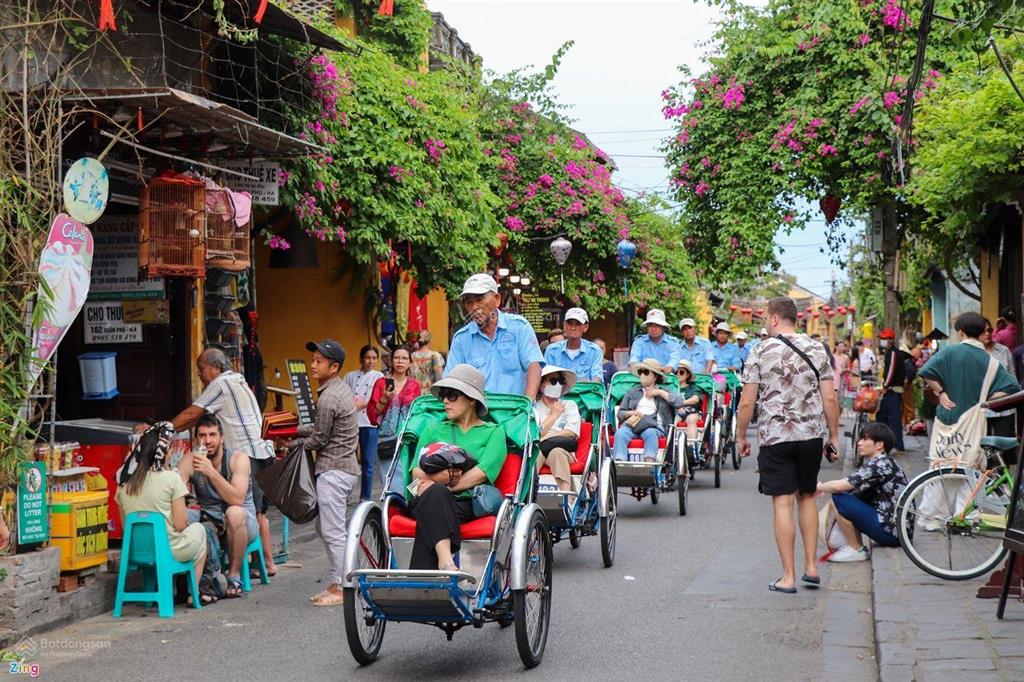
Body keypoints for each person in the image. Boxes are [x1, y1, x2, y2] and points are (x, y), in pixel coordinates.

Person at [736, 296, 840, 594]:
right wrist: (833, 436)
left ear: (773, 319)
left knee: (782, 502)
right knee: (807, 497)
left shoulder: (760, 350)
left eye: (764, 317)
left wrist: (741, 437)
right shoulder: (817, 348)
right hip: (810, 435)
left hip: (776, 437)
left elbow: (747, 402)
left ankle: (788, 577)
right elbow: (830, 398)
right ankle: (811, 567)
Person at [146, 348, 278, 580]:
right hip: (262, 452)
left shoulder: (220, 384)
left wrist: (163, 431)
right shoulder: (239, 380)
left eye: (201, 370)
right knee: (258, 512)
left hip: (248, 454)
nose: (199, 375)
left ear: (216, 368)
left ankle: (258, 565)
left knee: (245, 510)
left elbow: (191, 414)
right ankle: (266, 563)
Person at [405, 365, 508, 570]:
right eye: (444, 395)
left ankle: (423, 584)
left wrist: (439, 484)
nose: (444, 401)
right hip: (423, 496)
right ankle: (446, 563)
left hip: (467, 502)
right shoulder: (433, 428)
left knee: (436, 494)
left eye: (451, 395)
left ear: (471, 399)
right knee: (435, 495)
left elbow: (481, 474)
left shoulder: (493, 432)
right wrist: (437, 485)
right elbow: (415, 471)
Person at [115, 423, 209, 604]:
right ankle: (193, 593)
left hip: (136, 553)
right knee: (199, 531)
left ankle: (164, 591)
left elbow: (125, 527)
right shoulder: (171, 479)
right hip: (169, 550)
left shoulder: (124, 482)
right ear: (164, 452)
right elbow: (181, 525)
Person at [298, 338, 359, 606]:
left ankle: (344, 587)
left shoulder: (329, 397)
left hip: (334, 469)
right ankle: (338, 581)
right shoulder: (338, 389)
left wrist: (296, 444)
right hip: (342, 469)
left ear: (333, 367)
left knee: (333, 531)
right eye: (313, 360)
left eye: (318, 361)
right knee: (326, 527)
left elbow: (319, 438)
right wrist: (297, 431)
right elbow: (320, 431)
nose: (313, 364)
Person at [178, 414, 258, 599]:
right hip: (209, 520)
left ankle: (234, 575)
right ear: (196, 439)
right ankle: (186, 578)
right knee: (180, 515)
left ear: (222, 438)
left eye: (212, 435)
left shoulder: (238, 459)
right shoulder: (190, 459)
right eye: (203, 435)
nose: (208, 441)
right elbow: (176, 490)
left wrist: (211, 472)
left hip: (243, 523)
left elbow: (237, 499)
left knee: (234, 513)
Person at [919, 312, 1018, 453]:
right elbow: (1013, 387)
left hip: (948, 418)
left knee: (943, 467)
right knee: (972, 466)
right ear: (981, 332)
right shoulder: (990, 360)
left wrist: (941, 392)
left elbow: (925, 372)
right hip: (975, 422)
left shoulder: (949, 352)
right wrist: (985, 398)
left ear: (960, 332)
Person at [816, 423, 909, 560]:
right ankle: (851, 544)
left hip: (892, 533)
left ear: (879, 445)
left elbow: (839, 486)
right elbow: (851, 486)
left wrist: (817, 487)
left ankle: (856, 548)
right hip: (898, 531)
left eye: (865, 440)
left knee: (839, 498)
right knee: (847, 495)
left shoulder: (879, 464)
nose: (859, 443)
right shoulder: (884, 462)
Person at [446, 273, 543, 396]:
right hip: (478, 413)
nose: (474, 307)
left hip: (515, 411)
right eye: (469, 302)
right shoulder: (461, 339)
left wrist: (528, 402)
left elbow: (534, 365)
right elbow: (451, 380)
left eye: (479, 299)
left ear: (497, 299)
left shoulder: (519, 327)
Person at [612, 358, 684, 463]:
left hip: (654, 426)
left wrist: (659, 392)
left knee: (650, 433)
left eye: (645, 372)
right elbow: (620, 413)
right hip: (633, 424)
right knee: (620, 433)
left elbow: (679, 402)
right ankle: (619, 463)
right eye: (640, 372)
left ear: (655, 376)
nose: (642, 375)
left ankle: (649, 463)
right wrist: (630, 413)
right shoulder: (632, 392)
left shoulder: (664, 392)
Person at [368, 346, 422, 484]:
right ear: (391, 361)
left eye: (404, 358)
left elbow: (417, 413)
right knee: (390, 480)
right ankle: (391, 504)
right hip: (387, 440)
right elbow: (373, 414)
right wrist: (384, 399)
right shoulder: (381, 383)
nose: (400, 361)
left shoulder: (415, 385)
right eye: (397, 357)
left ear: (409, 362)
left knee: (408, 477)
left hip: (408, 438)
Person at [344, 345, 384, 501]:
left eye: (374, 358)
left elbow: (379, 399)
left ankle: (365, 497)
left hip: (369, 422)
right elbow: (344, 395)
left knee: (368, 463)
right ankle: (345, 494)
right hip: (351, 422)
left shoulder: (379, 376)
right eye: (368, 357)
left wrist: (364, 404)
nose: (371, 361)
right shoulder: (350, 376)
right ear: (361, 359)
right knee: (348, 461)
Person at [533, 366, 581, 492]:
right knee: (534, 454)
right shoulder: (534, 408)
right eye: (553, 381)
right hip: (539, 448)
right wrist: (553, 416)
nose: (558, 384)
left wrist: (547, 437)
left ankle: (567, 496)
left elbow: (571, 432)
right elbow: (535, 434)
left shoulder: (569, 405)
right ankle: (528, 494)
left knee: (557, 452)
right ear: (542, 386)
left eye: (561, 381)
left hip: (563, 449)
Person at [982, 318, 1018, 462]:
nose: (987, 334)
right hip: (981, 408)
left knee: (1006, 449)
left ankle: (1004, 478)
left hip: (1004, 406)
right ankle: (987, 480)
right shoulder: (973, 352)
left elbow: (1012, 377)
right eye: (983, 331)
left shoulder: (1003, 351)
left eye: (990, 330)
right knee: (984, 450)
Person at [544, 308, 604, 383]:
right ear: (564, 326)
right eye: (570, 323)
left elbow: (597, 380)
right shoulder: (552, 350)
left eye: (578, 324)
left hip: (586, 394)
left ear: (585, 327)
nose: (573, 328)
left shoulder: (594, 351)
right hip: (559, 394)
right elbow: (547, 380)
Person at [875, 328, 907, 453]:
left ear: (891, 340)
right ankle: (885, 444)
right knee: (882, 417)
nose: (882, 341)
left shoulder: (893, 353)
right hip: (890, 390)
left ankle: (898, 445)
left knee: (893, 419)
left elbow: (890, 372)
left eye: (885, 339)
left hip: (892, 390)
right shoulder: (889, 353)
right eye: (882, 339)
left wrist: (885, 386)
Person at [675, 359, 708, 462]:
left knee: (691, 419)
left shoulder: (693, 387)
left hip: (693, 412)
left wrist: (681, 402)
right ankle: (673, 447)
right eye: (676, 372)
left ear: (687, 374)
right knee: (673, 421)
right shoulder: (673, 387)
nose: (678, 374)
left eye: (681, 372)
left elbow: (695, 399)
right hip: (678, 412)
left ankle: (691, 447)